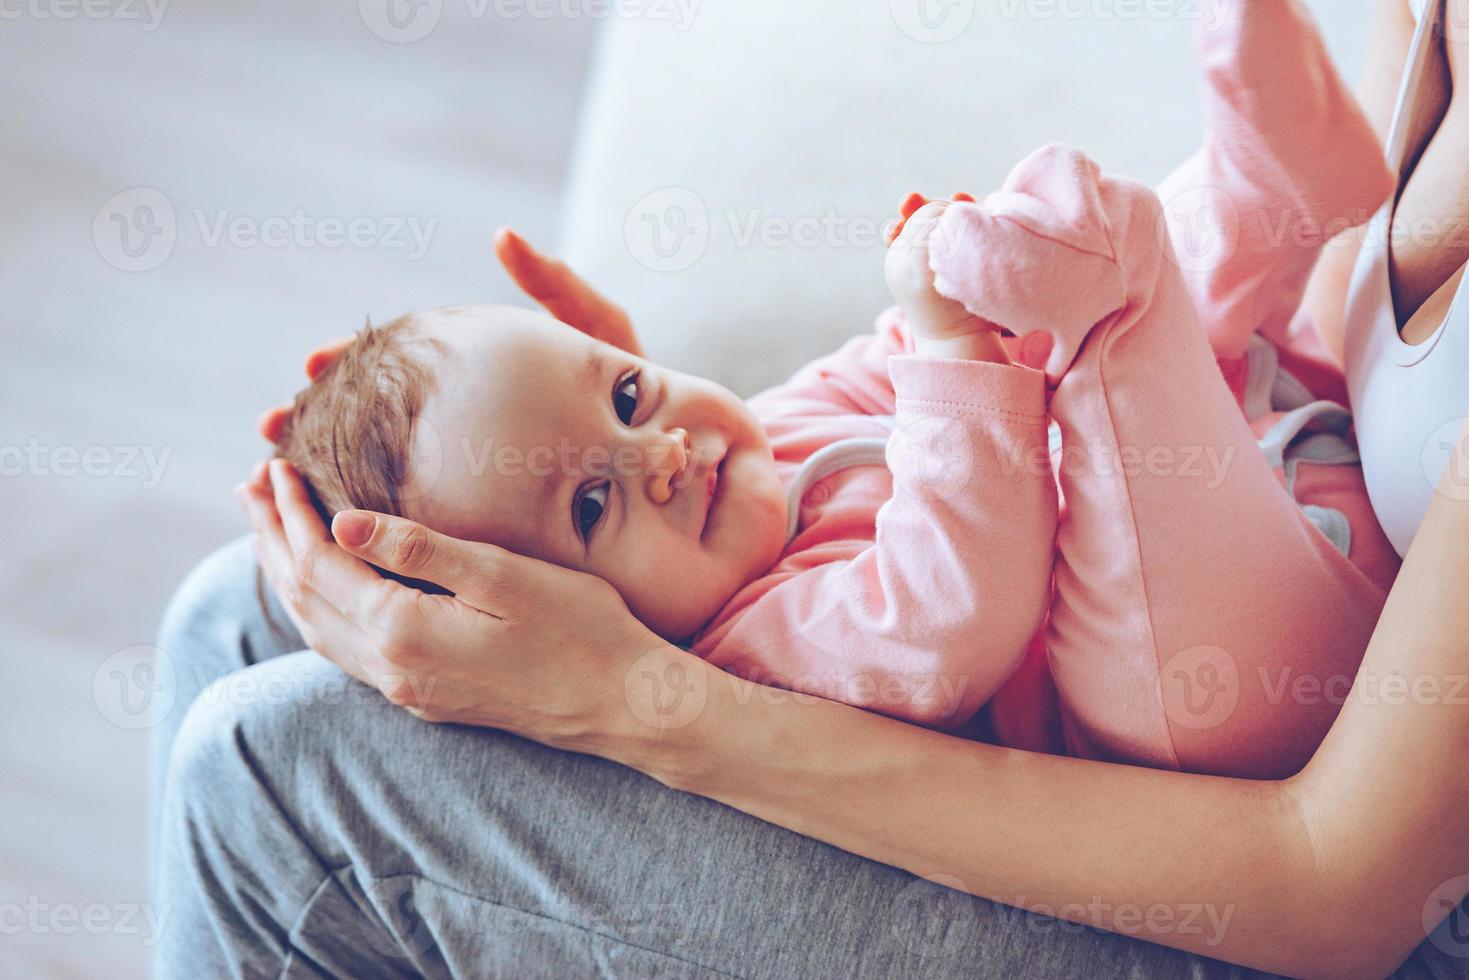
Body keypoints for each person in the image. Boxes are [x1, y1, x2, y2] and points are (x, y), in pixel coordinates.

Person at [151, 1, 1469, 975]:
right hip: (1213, 573)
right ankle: (1159, 254)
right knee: (235, 611)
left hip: (1300, 856)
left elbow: (1343, 885)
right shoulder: (760, 639)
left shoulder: (717, 545)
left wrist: (948, 306)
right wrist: (949, 343)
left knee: (270, 757)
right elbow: (950, 613)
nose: (660, 447)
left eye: (628, 394)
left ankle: (1172, 258)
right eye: (595, 506)